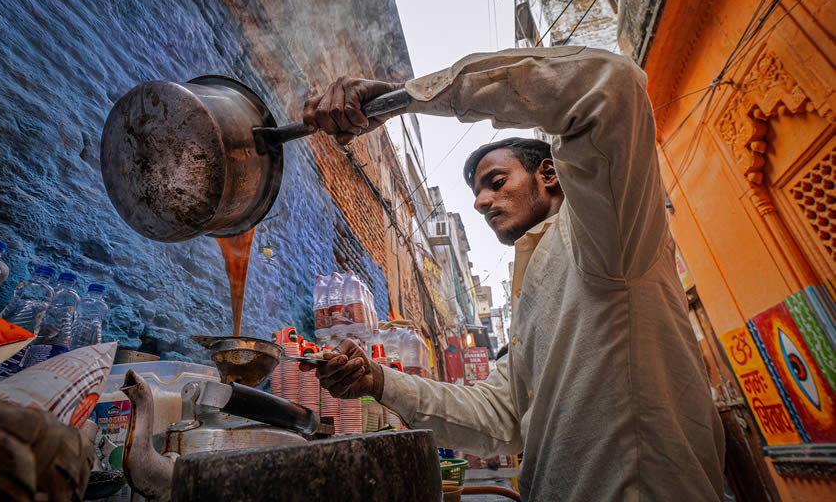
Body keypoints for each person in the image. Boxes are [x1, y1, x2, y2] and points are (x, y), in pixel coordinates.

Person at [301, 46, 726, 501]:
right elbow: (499, 415)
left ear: (550, 174)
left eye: (496, 182)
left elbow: (610, 84)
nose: (482, 201)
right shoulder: (534, 286)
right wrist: (379, 381)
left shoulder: (607, 234)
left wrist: (403, 99)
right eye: (478, 192)